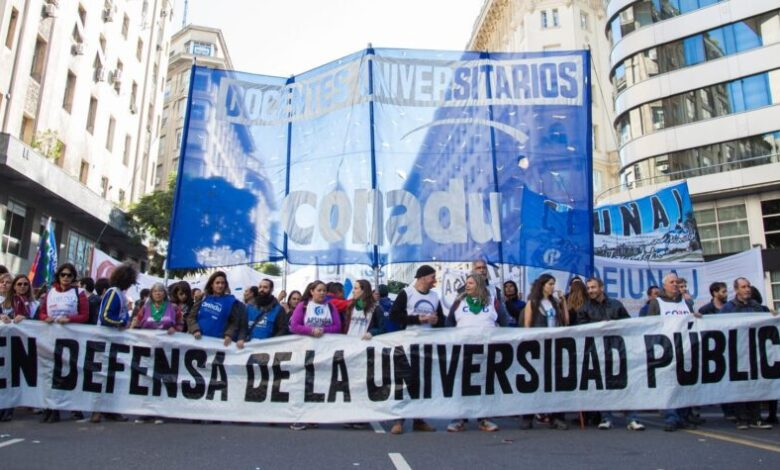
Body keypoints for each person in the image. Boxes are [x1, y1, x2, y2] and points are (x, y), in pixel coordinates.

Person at [577, 277, 644, 431]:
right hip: (598, 351)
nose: (590, 290)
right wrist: (599, 327)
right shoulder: (584, 309)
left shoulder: (616, 305)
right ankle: (606, 418)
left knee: (625, 385)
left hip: (618, 349)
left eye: (593, 287)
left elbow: (628, 324)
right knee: (603, 386)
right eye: (588, 288)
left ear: (602, 288)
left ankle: (632, 419)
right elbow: (580, 329)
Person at [388, 265, 443, 435]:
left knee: (422, 382)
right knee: (406, 381)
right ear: (422, 277)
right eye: (432, 277)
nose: (434, 280)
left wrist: (436, 321)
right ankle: (399, 419)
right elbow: (394, 315)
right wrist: (418, 319)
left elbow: (440, 320)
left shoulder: (435, 296)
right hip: (408, 343)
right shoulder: (407, 293)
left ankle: (419, 419)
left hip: (427, 344)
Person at [445, 273, 500, 433]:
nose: (467, 286)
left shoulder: (493, 302)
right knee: (463, 384)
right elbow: (449, 322)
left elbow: (503, 321)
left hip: (487, 350)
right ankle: (459, 418)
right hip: (464, 350)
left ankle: (484, 418)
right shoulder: (459, 302)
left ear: (479, 285)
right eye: (466, 283)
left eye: (471, 283)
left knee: (485, 384)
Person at [646, 272, 701, 431]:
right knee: (668, 386)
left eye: (676, 282)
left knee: (684, 385)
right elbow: (649, 325)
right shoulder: (656, 303)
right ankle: (671, 418)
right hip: (666, 350)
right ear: (664, 285)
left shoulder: (686, 303)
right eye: (672, 282)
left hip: (686, 349)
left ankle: (683, 417)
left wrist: (696, 317)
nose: (675, 284)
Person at [37, 263, 90, 423]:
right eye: (63, 275)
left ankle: (69, 406)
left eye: (69, 275)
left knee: (68, 372)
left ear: (73, 277)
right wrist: (45, 318)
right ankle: (50, 408)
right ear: (58, 276)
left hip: (71, 339)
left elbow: (84, 315)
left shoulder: (79, 293)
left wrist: (69, 319)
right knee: (50, 373)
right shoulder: (50, 292)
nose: (66, 278)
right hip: (51, 337)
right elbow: (42, 312)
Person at [721, 277, 774, 430]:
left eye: (748, 286)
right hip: (737, 352)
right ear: (736, 290)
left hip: (755, 352)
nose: (747, 289)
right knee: (740, 386)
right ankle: (742, 418)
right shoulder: (728, 308)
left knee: (755, 385)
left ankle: (756, 418)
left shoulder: (756, 306)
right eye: (743, 287)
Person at [288, 280, 342, 431]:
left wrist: (323, 330)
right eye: (319, 290)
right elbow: (295, 326)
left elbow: (337, 326)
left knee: (318, 383)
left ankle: (312, 415)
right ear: (312, 291)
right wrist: (311, 331)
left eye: (324, 290)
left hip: (324, 351)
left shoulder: (330, 307)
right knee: (302, 383)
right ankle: (298, 417)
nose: (322, 293)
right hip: (305, 350)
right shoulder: (303, 306)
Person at [522, 273, 569, 430]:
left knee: (556, 382)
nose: (552, 287)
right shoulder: (533, 303)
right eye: (550, 284)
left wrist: (563, 303)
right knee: (534, 382)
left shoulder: (554, 303)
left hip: (554, 346)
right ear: (542, 285)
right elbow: (527, 325)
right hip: (538, 346)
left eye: (553, 284)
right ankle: (528, 416)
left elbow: (565, 321)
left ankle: (556, 416)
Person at [129, 281, 180, 424]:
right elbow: (137, 323)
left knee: (161, 379)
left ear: (165, 293)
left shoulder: (173, 308)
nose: (158, 293)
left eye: (161, 291)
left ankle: (160, 411)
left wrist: (175, 328)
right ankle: (146, 411)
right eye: (155, 291)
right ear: (151, 294)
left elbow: (181, 323)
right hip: (147, 348)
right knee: (147, 379)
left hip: (166, 349)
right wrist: (133, 327)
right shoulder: (145, 308)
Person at [0, 274, 37, 422]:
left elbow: (39, 322)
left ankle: (10, 408)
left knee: (18, 377)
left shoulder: (34, 304)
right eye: (19, 284)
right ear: (14, 286)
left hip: (25, 346)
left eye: (25, 284)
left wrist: (26, 319)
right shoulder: (5, 304)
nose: (22, 287)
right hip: (7, 346)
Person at [187, 271, 247, 348]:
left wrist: (229, 335)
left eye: (223, 283)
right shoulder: (203, 298)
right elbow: (191, 317)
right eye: (217, 283)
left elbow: (234, 322)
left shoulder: (231, 301)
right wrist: (195, 330)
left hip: (218, 344)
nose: (220, 285)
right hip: (198, 341)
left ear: (225, 285)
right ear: (212, 284)